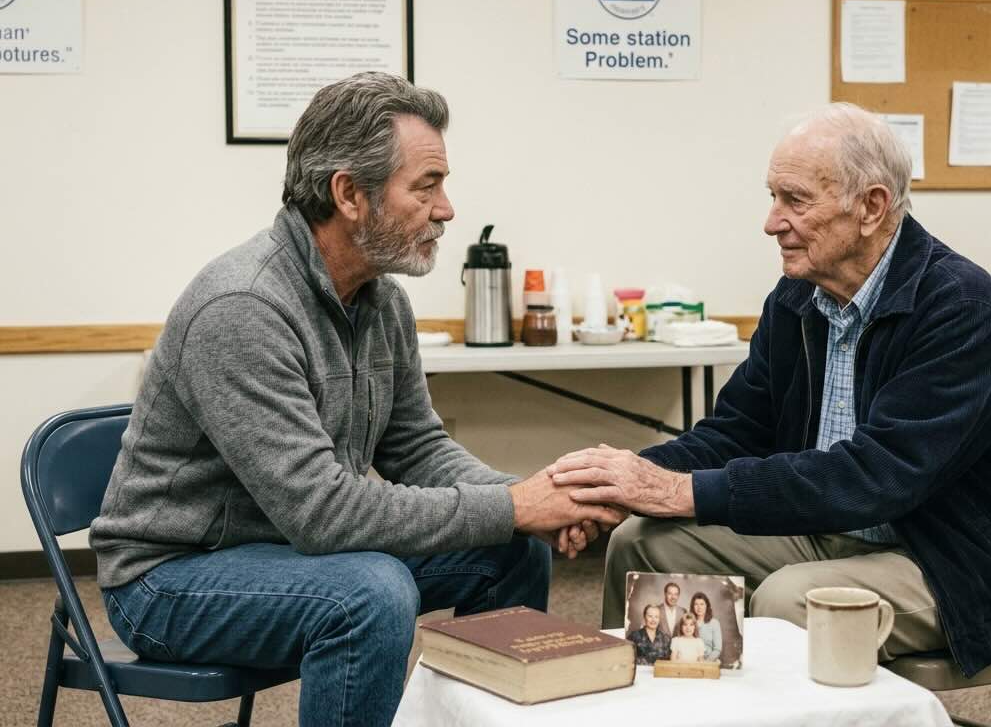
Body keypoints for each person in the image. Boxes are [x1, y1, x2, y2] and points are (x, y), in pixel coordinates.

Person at [89, 72, 622, 727]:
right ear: (349, 194)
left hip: (287, 551)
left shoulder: (381, 299)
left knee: (510, 549)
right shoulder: (243, 308)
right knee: (369, 594)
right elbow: (324, 515)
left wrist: (529, 502)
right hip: (169, 578)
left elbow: (418, 448)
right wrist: (515, 503)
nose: (448, 208)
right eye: (426, 186)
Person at [549, 103, 991, 678]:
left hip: (956, 558)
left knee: (791, 601)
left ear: (871, 207)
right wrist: (620, 485)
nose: (772, 221)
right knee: (640, 543)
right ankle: (665, 712)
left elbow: (877, 476)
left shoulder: (957, 307)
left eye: (795, 200)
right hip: (828, 529)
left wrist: (679, 490)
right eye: (772, 196)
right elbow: (735, 432)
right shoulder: (796, 298)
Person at [689, 591, 722, 662]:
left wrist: (705, 663)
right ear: (692, 606)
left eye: (702, 604)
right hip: (690, 660)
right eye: (696, 604)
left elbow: (717, 649)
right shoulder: (689, 622)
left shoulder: (714, 623)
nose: (699, 607)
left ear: (707, 606)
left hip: (708, 661)